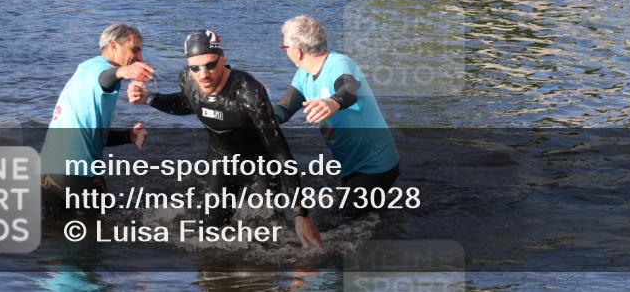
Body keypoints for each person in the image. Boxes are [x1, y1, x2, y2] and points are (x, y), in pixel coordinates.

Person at [127, 29, 322, 248]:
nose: (203, 74)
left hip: (259, 167)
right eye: (195, 68)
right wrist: (149, 98)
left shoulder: (249, 93)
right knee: (208, 235)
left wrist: (301, 214)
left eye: (210, 65)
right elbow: (188, 103)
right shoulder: (187, 79)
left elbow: (281, 153)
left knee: (268, 241)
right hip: (219, 161)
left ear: (223, 60)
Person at [274, 15, 400, 216]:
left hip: (375, 165)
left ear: (297, 51)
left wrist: (333, 102)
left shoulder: (339, 63)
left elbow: (349, 88)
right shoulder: (303, 74)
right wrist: (253, 107)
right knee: (359, 218)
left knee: (344, 226)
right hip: (351, 166)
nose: (285, 52)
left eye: (284, 48)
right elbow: (283, 111)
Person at [40, 24, 155, 212]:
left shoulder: (85, 69)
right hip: (77, 174)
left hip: (47, 173)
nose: (140, 57)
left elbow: (91, 135)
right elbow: (105, 78)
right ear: (114, 46)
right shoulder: (102, 71)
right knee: (107, 232)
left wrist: (128, 136)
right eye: (135, 49)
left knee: (58, 233)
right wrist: (122, 72)